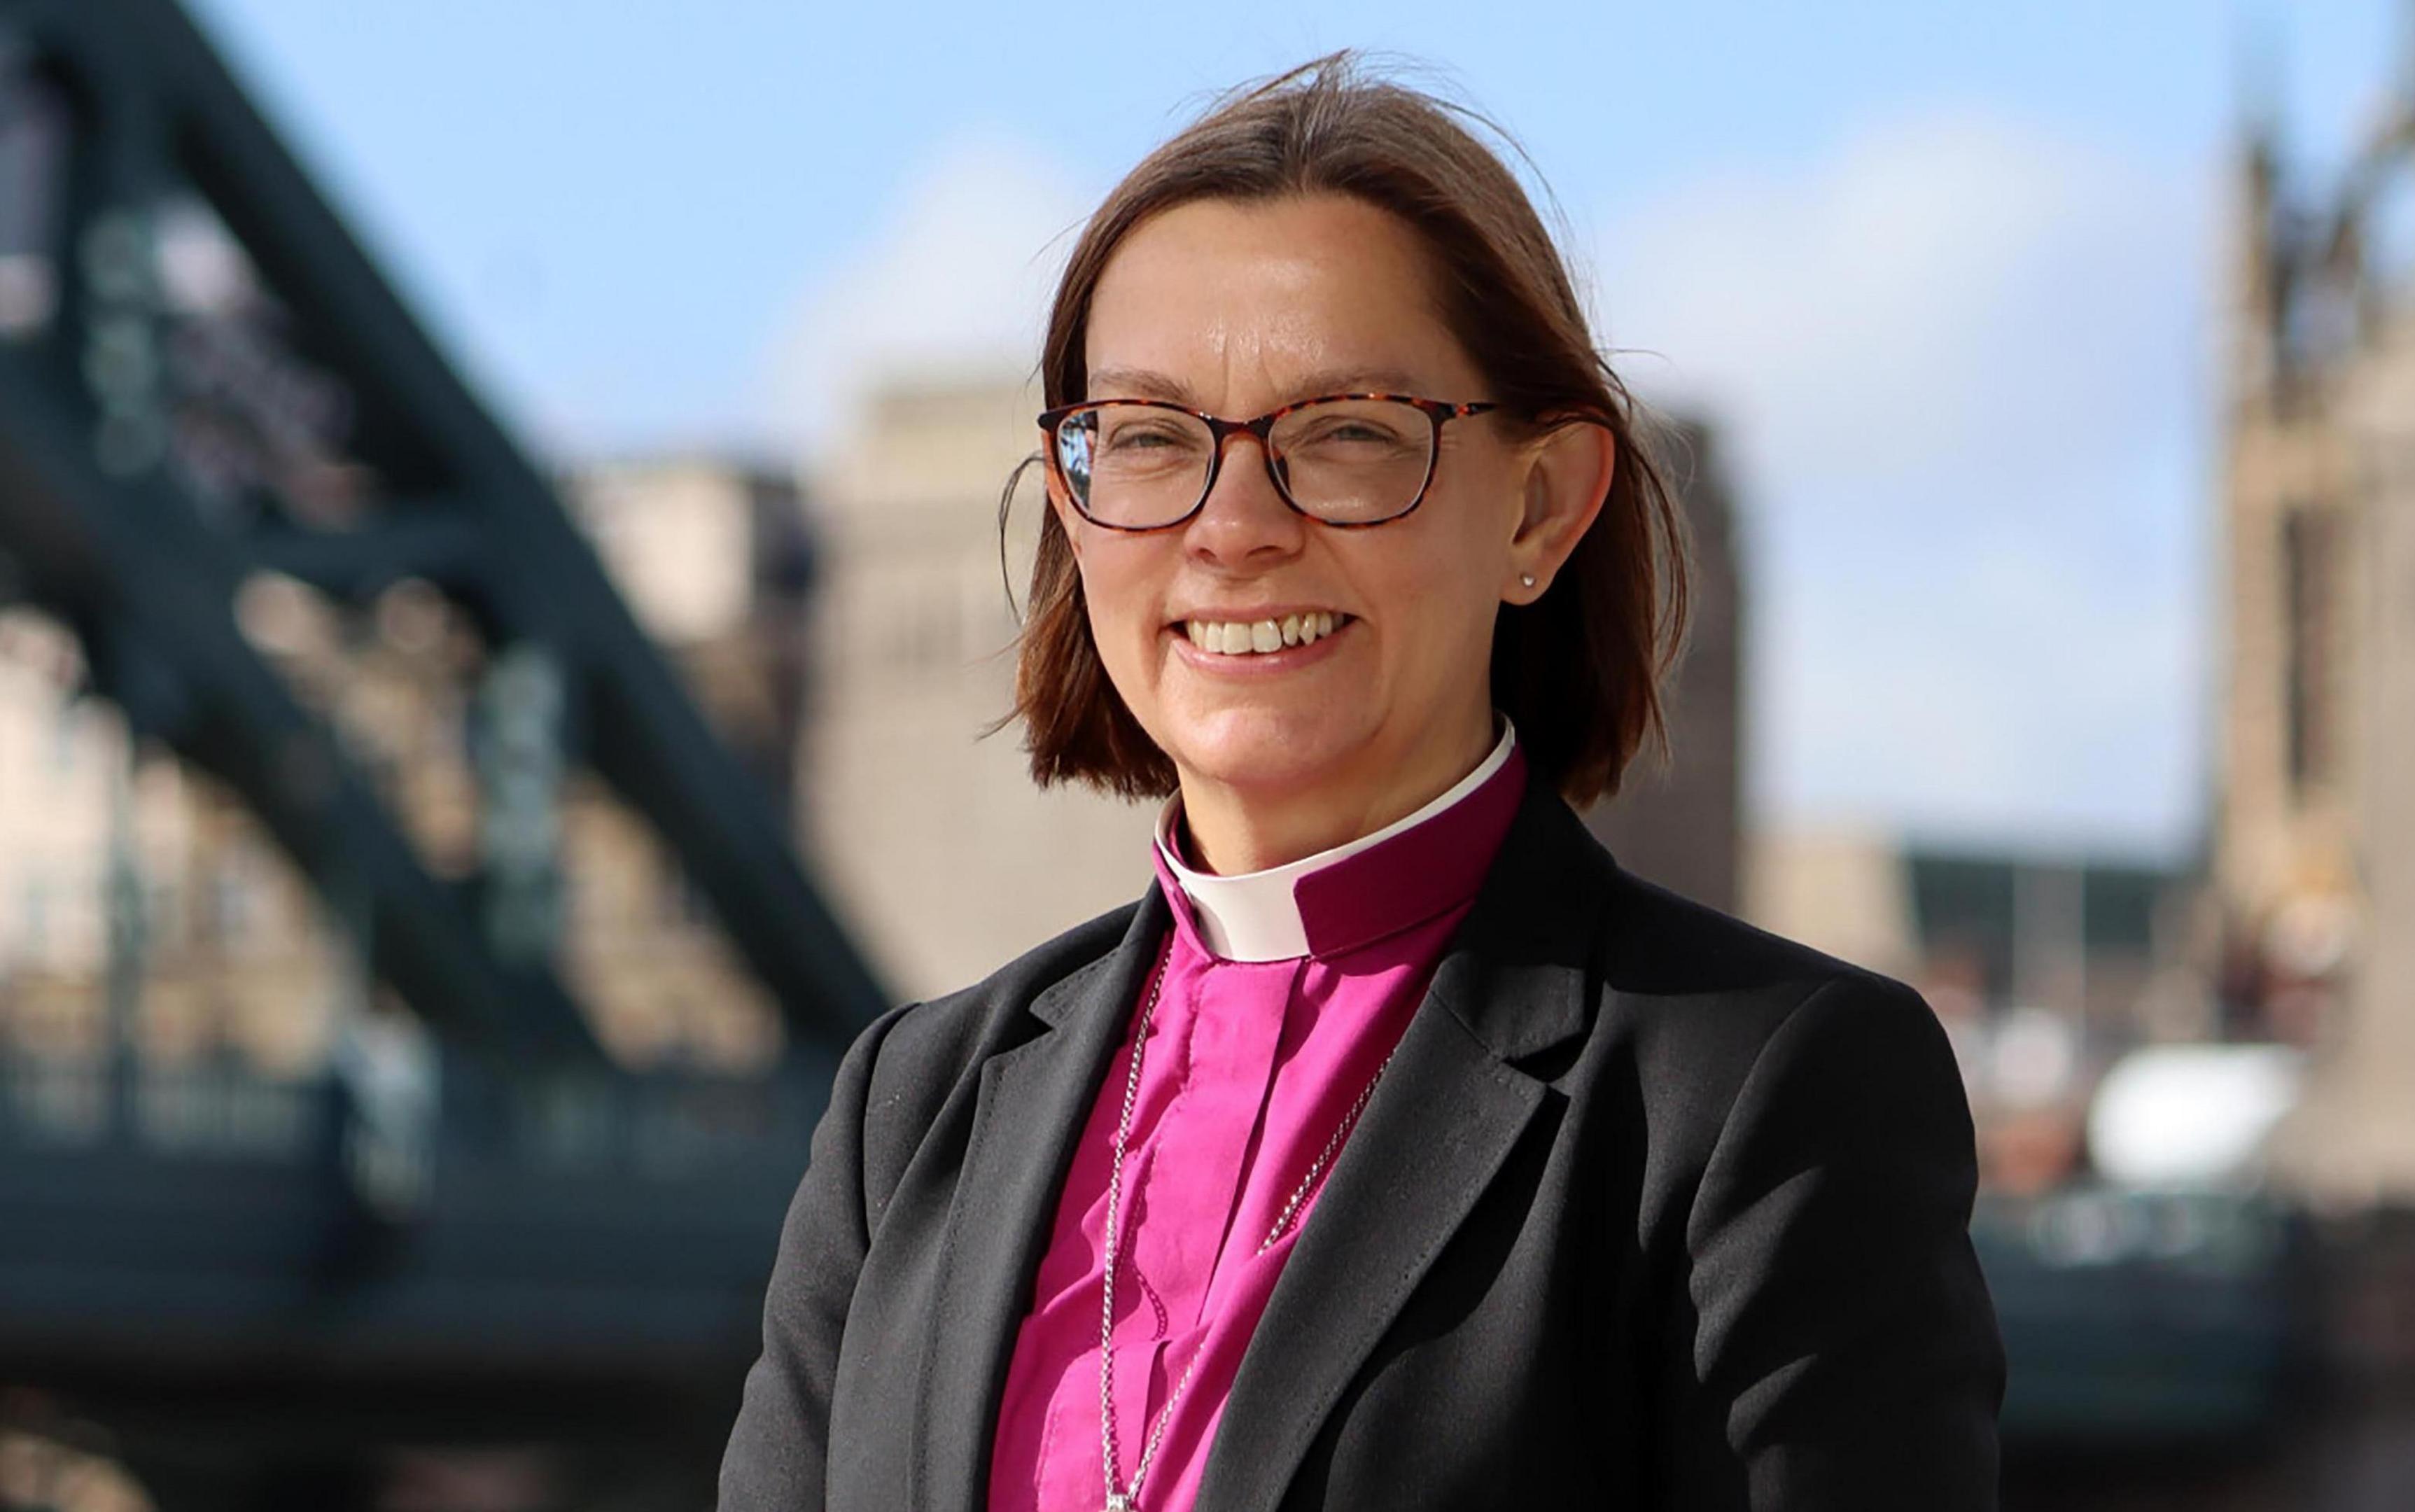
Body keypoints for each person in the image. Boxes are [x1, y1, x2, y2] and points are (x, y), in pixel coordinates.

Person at [718, 53, 2004, 1512]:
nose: (1234, 526)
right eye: (1145, 438)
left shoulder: (1759, 1096)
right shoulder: (912, 1111)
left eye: (1345, 435)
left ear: (1542, 503)